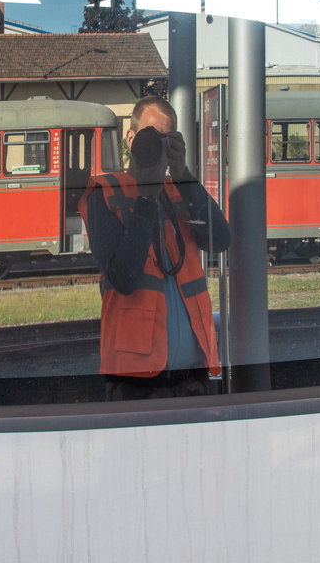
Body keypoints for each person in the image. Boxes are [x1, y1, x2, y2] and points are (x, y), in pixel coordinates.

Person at [79, 95, 230, 399]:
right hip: (135, 378)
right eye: (151, 136)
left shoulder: (178, 191)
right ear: (130, 138)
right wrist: (147, 197)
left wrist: (183, 174)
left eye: (166, 139)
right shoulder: (103, 192)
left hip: (193, 373)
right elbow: (123, 277)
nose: (157, 146)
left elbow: (220, 240)